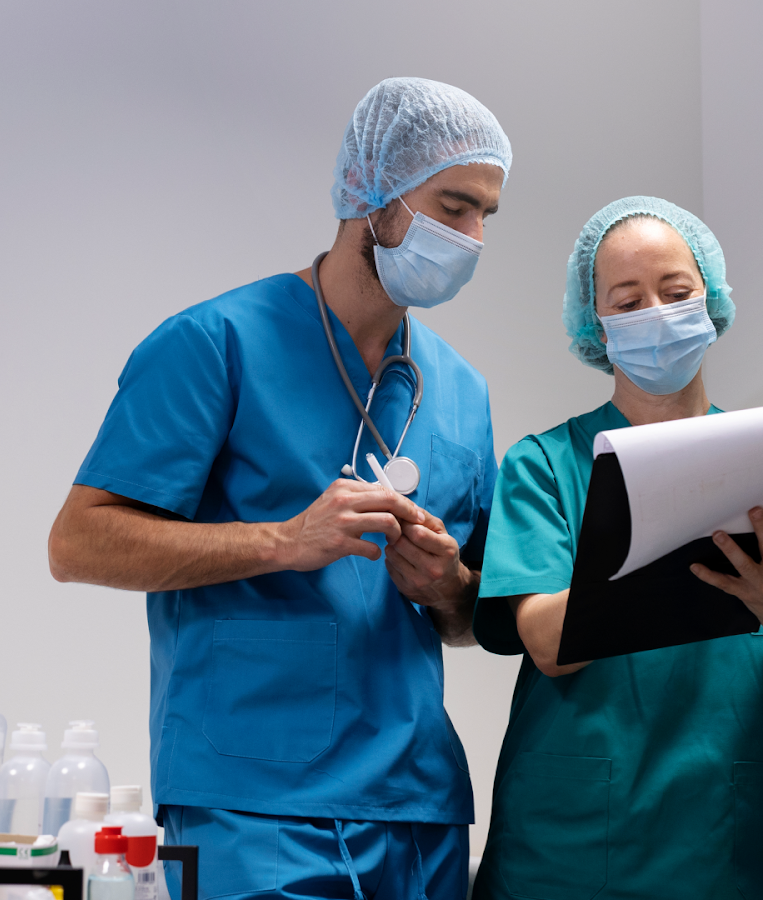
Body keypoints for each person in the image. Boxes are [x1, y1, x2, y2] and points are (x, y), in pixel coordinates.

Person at [48, 77, 510, 900]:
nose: (472, 237)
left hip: (418, 804)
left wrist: (448, 587)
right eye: (454, 205)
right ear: (372, 191)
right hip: (253, 803)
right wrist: (284, 540)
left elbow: (474, 615)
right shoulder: (215, 344)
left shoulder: (462, 391)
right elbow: (77, 542)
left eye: (484, 215)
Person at [470, 197, 763, 900]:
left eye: (677, 292)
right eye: (628, 301)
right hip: (577, 846)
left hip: (735, 837)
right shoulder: (544, 465)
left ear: (710, 300)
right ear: (596, 325)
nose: (655, 312)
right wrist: (663, 535)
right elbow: (548, 646)